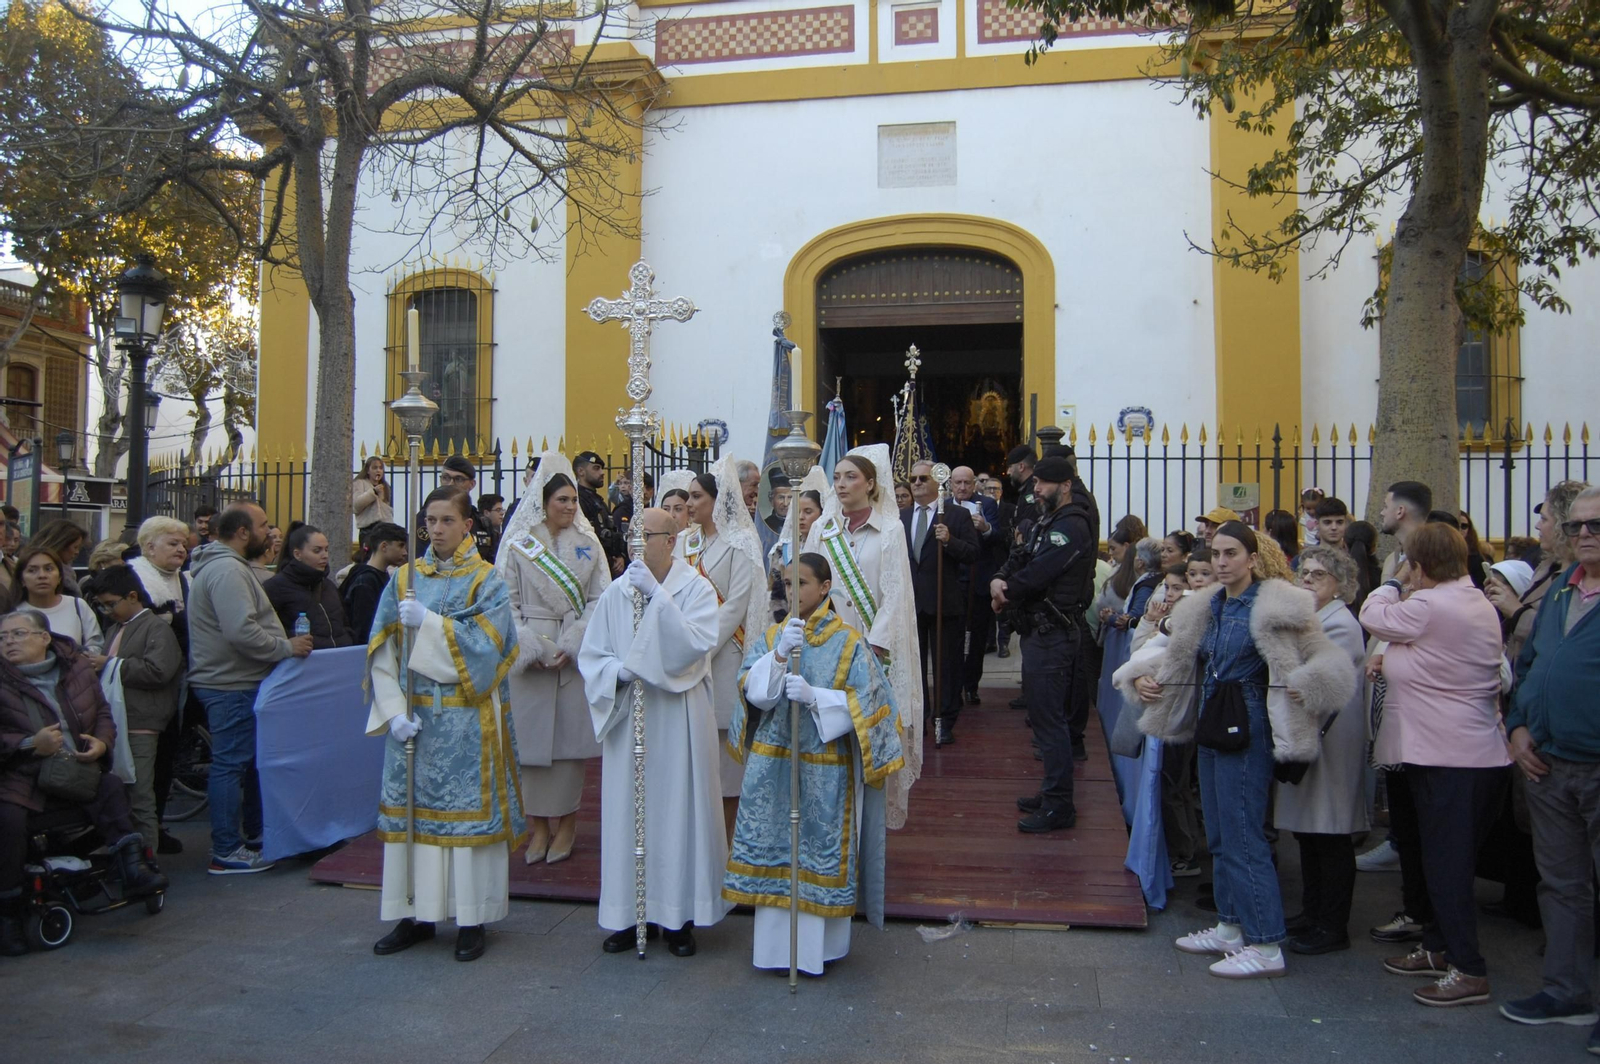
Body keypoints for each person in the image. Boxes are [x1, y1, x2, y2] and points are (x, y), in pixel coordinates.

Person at [1126, 521, 1354, 979]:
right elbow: (1168, 652)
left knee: (1245, 833)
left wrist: (1307, 685)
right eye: (1217, 554)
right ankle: (1230, 927)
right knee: (1220, 833)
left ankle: (1267, 944)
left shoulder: (1278, 605)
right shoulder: (1207, 605)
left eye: (1232, 553)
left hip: (1249, 724)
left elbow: (1328, 660)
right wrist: (1142, 678)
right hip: (1213, 719)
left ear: (1253, 558)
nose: (1223, 562)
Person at [724, 552, 905, 974]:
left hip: (826, 769)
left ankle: (818, 952)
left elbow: (875, 706)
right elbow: (752, 692)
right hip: (774, 767)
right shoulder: (772, 637)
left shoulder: (849, 642)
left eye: (801, 583)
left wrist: (819, 698)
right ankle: (772, 952)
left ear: (824, 588)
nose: (792, 591)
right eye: (786, 584)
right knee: (776, 851)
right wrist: (779, 658)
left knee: (816, 853)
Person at [366, 487, 524, 963]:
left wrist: (432, 625)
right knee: (415, 821)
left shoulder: (487, 580)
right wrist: (393, 712)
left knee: (466, 829)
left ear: (466, 524)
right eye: (430, 521)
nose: (436, 529)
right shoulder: (404, 580)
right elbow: (383, 649)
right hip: (417, 718)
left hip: (467, 717)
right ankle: (412, 912)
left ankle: (471, 918)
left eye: (446, 520)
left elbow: (491, 648)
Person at [1360, 521, 1509, 1006]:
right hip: (1459, 753)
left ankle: (1469, 968)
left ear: (1419, 563)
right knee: (1436, 857)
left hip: (1452, 757)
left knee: (1446, 865)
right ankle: (1440, 947)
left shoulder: (1429, 603)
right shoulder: (1467, 600)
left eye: (1408, 559)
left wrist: (1391, 581)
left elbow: (1373, 614)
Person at [579, 507, 730, 957]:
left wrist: (658, 601)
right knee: (629, 814)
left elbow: (696, 645)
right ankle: (629, 914)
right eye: (631, 534)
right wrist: (617, 674)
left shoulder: (696, 589)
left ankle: (679, 916)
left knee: (678, 813)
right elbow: (593, 654)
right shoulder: (616, 593)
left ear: (671, 540)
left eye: (646, 534)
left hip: (678, 715)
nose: (636, 542)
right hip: (631, 716)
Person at [0, 608, 168, 955]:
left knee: (110, 788)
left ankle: (132, 869)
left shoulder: (75, 667)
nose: (8, 643)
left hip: (75, 769)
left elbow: (103, 711)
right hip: (21, 776)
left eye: (18, 634)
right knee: (9, 818)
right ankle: (9, 911)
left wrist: (102, 742)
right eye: (2, 637)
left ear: (44, 638)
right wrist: (30, 744)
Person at [1499, 485, 1600, 1035]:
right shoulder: (1562, 587)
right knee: (1561, 885)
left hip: (1595, 762)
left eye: (1597, 526)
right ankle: (1566, 990)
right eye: (1577, 525)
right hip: (1547, 762)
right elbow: (1530, 662)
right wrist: (1516, 727)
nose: (1583, 534)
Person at [189, 503, 313, 875]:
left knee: (242, 763)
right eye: (262, 526)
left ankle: (251, 836)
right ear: (243, 532)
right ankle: (226, 849)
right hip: (230, 683)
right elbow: (240, 630)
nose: (269, 532)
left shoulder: (227, 567)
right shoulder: (228, 570)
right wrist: (284, 647)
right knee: (230, 764)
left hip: (235, 680)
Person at [498, 456, 611, 866]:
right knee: (529, 748)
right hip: (531, 654)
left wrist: (577, 639)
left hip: (570, 654)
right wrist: (524, 641)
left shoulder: (589, 542)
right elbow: (503, 601)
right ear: (542, 502)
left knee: (566, 751)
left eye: (572, 499)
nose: (568, 506)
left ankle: (566, 825)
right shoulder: (519, 544)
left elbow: (602, 597)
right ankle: (538, 828)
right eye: (561, 499)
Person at [804, 446, 922, 828]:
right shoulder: (823, 529)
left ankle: (866, 824)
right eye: (836, 477)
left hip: (871, 651)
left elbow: (895, 594)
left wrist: (872, 647)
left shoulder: (890, 530)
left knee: (865, 734)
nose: (840, 484)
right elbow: (805, 584)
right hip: (826, 645)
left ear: (871, 484)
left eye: (850, 477)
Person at [995, 455, 1098, 833]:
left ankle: (1059, 805)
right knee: (1043, 719)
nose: (1036, 489)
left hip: (1053, 634)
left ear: (1066, 485)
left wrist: (1005, 590)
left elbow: (1039, 573)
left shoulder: (1070, 526)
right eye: (1036, 482)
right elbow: (1021, 556)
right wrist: (1000, 578)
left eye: (1044, 483)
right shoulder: (1047, 520)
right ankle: (1053, 790)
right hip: (1039, 633)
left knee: (1051, 722)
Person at [1275, 545, 1370, 955]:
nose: (1308, 580)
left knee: (1330, 831)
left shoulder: (1340, 624)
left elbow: (1309, 678)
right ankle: (1312, 912)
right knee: (1308, 831)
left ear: (1341, 585)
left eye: (1319, 575)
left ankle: (1332, 924)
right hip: (1310, 731)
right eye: (1305, 573)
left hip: (1331, 735)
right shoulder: (1312, 618)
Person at [677, 458, 769, 835]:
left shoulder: (742, 543)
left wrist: (697, 646)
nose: (690, 504)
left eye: (697, 497)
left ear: (719, 499)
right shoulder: (685, 541)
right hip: (685, 654)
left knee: (727, 757)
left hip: (724, 654)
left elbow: (736, 605)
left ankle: (731, 841)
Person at [90, 564, 183, 850]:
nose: (107, 611)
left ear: (132, 596)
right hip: (121, 719)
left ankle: (148, 861)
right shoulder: (118, 627)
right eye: (103, 606)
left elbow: (159, 671)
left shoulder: (156, 627)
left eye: (111, 604)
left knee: (141, 795)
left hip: (143, 722)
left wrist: (110, 664)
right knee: (125, 793)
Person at [903, 460, 979, 745]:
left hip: (944, 603)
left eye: (923, 478)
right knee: (914, 665)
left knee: (946, 666)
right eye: (913, 478)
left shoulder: (956, 516)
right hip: (911, 603)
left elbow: (973, 553)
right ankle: (919, 717)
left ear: (937, 481)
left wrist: (950, 542)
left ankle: (944, 719)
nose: (917, 483)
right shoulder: (901, 516)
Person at [949, 464, 1002, 706]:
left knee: (977, 638)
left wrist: (986, 528)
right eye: (957, 483)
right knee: (954, 638)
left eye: (966, 483)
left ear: (974, 484)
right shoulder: (944, 506)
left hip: (978, 581)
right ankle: (952, 685)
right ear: (950, 484)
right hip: (952, 580)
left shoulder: (987, 505)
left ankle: (972, 685)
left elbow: (1000, 538)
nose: (962, 487)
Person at [263, 523, 353, 649]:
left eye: (326, 549)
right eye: (317, 550)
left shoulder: (329, 586)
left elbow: (344, 623)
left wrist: (348, 640)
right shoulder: (276, 587)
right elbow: (266, 630)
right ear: (297, 554)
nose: (325, 555)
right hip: (303, 662)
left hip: (340, 660)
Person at [5, 546, 103, 657]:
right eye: (32, 570)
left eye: (48, 569)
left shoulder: (77, 606)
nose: (42, 576)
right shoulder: (13, 613)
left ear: (60, 577)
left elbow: (96, 646)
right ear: (22, 580)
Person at [342, 522, 407, 644]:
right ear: (384, 546)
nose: (405, 552)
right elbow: (363, 629)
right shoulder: (366, 582)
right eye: (400, 546)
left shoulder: (381, 576)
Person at [573, 450, 628, 577]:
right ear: (581, 471)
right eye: (596, 468)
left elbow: (611, 530)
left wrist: (620, 555)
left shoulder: (597, 500)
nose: (602, 473)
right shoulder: (578, 499)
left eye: (601, 469)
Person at [27, 519, 88, 596]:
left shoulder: (68, 573)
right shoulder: (56, 582)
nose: (77, 552)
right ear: (61, 545)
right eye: (75, 547)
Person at [352, 456, 393, 531]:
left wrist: (381, 498)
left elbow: (387, 509)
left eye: (380, 468)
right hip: (367, 528)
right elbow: (356, 506)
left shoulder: (385, 487)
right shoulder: (360, 483)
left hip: (383, 528)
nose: (378, 470)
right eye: (375, 468)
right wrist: (373, 492)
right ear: (368, 471)